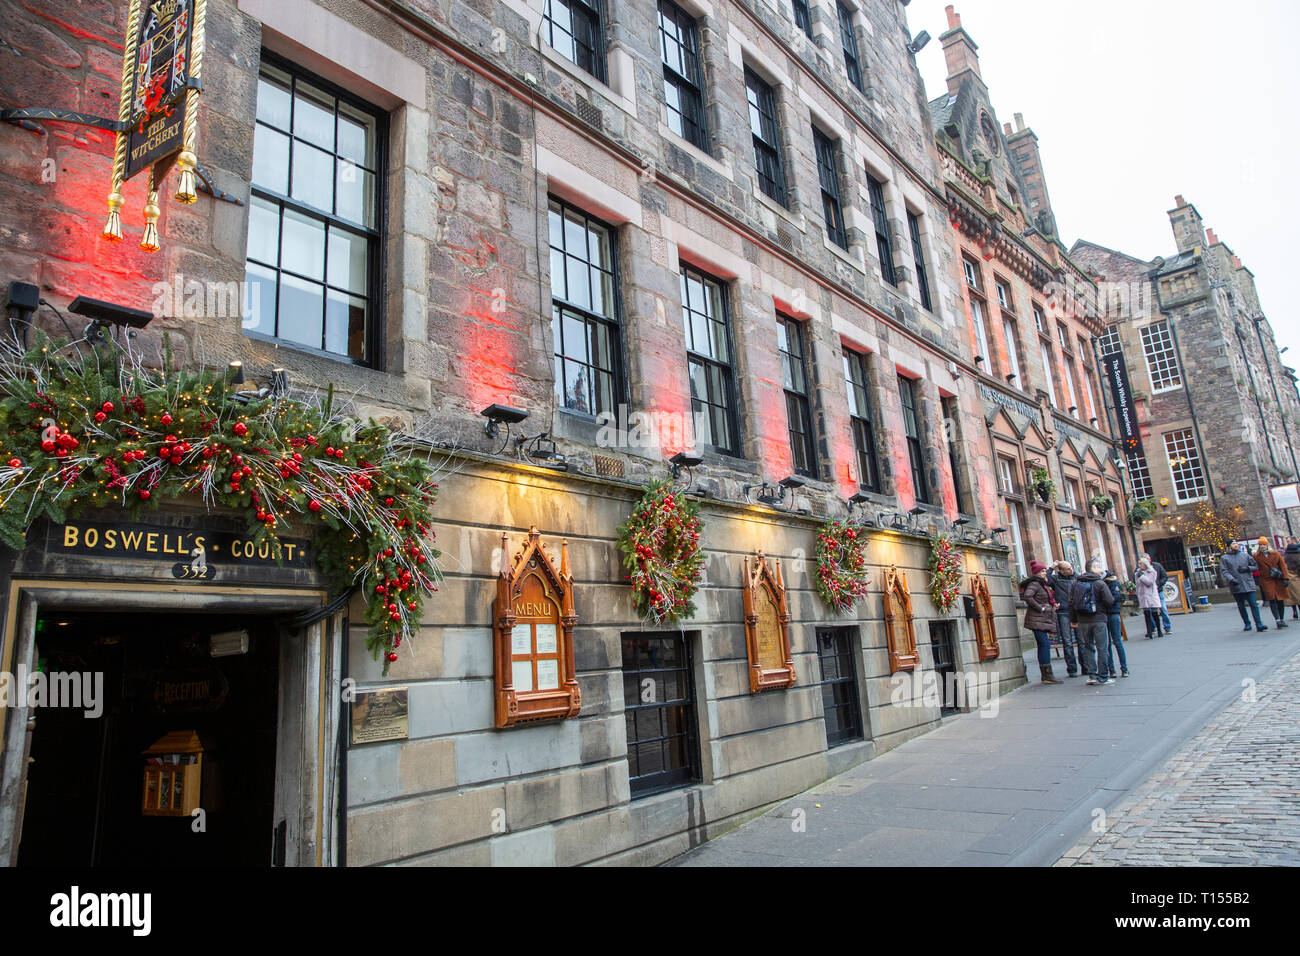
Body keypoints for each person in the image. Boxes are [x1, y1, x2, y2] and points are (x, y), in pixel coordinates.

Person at [1071, 557, 1117, 685]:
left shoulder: (1076, 583)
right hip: (1099, 619)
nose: (1101, 570)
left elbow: (1072, 602)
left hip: (1083, 620)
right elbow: (1109, 601)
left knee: (1088, 647)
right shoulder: (1100, 583)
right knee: (1102, 648)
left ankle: (1092, 675)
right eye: (1098, 567)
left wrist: (1073, 619)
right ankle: (1103, 676)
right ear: (1093, 568)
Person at [1021, 561, 1062, 684]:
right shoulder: (1035, 584)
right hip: (1036, 619)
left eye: (1045, 571)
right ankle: (1046, 675)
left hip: (1041, 619)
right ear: (1037, 573)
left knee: (1044, 645)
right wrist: (1040, 608)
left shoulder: (1041, 584)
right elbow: (1028, 596)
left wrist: (1052, 605)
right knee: (1044, 644)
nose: (1045, 573)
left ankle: (1047, 675)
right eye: (1043, 571)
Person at [1047, 561, 1085, 677]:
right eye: (1068, 569)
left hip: (1077, 612)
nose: (1071, 570)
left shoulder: (1078, 578)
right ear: (1061, 571)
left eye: (1071, 567)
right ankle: (1072, 669)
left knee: (1081, 641)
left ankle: (1086, 667)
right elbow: (1046, 579)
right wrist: (1051, 567)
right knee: (1067, 642)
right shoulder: (1056, 579)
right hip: (1063, 612)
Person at [1220, 541, 1265, 632]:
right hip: (1236, 585)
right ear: (1229, 547)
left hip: (1248, 583)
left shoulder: (1245, 556)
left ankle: (1259, 623)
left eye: (1236, 543)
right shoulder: (1225, 558)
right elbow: (1225, 571)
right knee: (1241, 605)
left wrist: (1247, 568)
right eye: (1233, 544)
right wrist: (1232, 579)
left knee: (1253, 604)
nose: (1236, 545)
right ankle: (1247, 623)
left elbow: (1255, 566)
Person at [1254, 537, 1290, 629]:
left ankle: (1281, 619)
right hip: (1266, 580)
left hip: (1278, 579)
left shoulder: (1275, 554)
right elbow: (1254, 567)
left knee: (1280, 600)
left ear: (1267, 545)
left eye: (1264, 544)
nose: (1262, 546)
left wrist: (1286, 578)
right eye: (1261, 545)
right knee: (1272, 599)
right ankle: (1277, 620)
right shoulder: (1256, 556)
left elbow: (1283, 566)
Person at [1103, 569, 1129, 677]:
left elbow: (1114, 599)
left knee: (1114, 642)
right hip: (1111, 614)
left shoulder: (1112, 584)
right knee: (1113, 642)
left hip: (1110, 614)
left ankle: (1119, 669)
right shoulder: (1110, 584)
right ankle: (1119, 669)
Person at [1138, 552, 1172, 635]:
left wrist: (1158, 584)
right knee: (1150, 612)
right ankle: (1153, 628)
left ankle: (1167, 627)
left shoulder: (1156, 567)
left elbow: (1164, 576)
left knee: (1163, 609)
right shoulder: (1139, 571)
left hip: (1158, 591)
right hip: (1145, 594)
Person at [1135, 558, 1162, 640]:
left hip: (1151, 595)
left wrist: (1142, 576)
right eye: (1138, 564)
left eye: (1140, 564)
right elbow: (1137, 584)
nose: (1139, 565)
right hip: (1143, 596)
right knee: (1146, 614)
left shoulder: (1152, 572)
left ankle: (1159, 630)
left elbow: (1149, 582)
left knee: (1154, 614)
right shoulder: (1138, 573)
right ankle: (1149, 631)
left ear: (1145, 564)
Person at [1285, 536, 1300, 621]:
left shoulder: (1286, 555)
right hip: (1294, 577)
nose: (1288, 543)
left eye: (1288, 541)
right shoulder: (1296, 555)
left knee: (1293, 596)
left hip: (1290, 577)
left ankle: (1294, 611)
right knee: (1297, 596)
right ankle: (1296, 611)